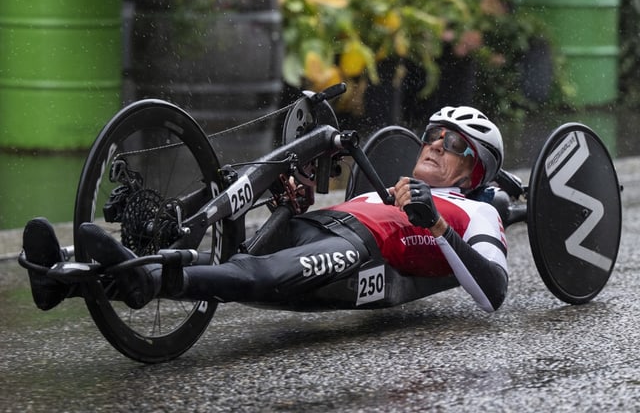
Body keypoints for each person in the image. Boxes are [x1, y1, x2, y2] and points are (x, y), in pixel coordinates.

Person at [23, 106, 508, 313]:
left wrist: (440, 224)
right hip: (319, 227)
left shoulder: (477, 214)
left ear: (474, 171)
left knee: (256, 272)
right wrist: (296, 197)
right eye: (432, 136)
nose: (434, 145)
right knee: (226, 249)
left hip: (358, 252)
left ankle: (148, 280)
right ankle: (62, 277)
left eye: (452, 144)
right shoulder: (391, 188)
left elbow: (492, 293)